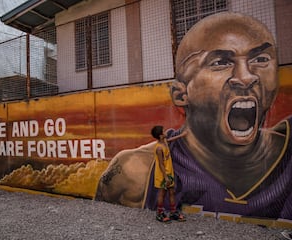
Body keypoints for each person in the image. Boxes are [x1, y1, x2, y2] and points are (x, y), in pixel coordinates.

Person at [95, 12, 292, 220]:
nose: (246, 77)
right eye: (220, 62)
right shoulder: (134, 172)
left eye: (260, 59)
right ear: (181, 95)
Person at [151, 125, 184, 222]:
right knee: (162, 193)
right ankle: (159, 213)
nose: (165, 132)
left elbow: (170, 140)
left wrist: (182, 135)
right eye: (163, 131)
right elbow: (161, 164)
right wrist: (165, 177)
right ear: (161, 136)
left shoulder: (164, 142)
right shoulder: (159, 149)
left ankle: (173, 212)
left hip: (169, 173)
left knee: (171, 192)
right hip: (163, 175)